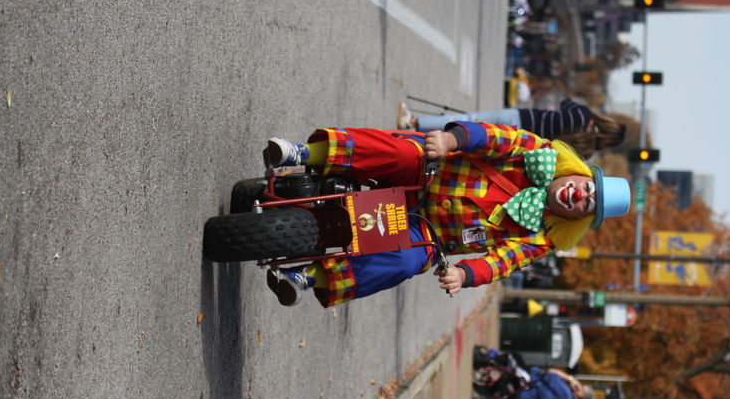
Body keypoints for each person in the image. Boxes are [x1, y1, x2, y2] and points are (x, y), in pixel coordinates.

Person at [264, 122, 630, 307]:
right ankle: (302, 153)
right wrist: (452, 141)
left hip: (428, 234)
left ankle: (307, 277)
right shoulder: (538, 153)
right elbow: (495, 137)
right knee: (403, 154)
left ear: (580, 217)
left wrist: (465, 274)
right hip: (429, 173)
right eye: (588, 187)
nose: (580, 196)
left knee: (405, 264)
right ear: (581, 173)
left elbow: (503, 262)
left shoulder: (543, 237)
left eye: (588, 205)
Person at [398, 99, 627, 159]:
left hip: (519, 118)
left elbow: (566, 102)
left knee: (469, 122)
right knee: (465, 148)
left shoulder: (582, 115)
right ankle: (411, 142)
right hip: (519, 143)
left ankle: (414, 123)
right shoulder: (586, 153)